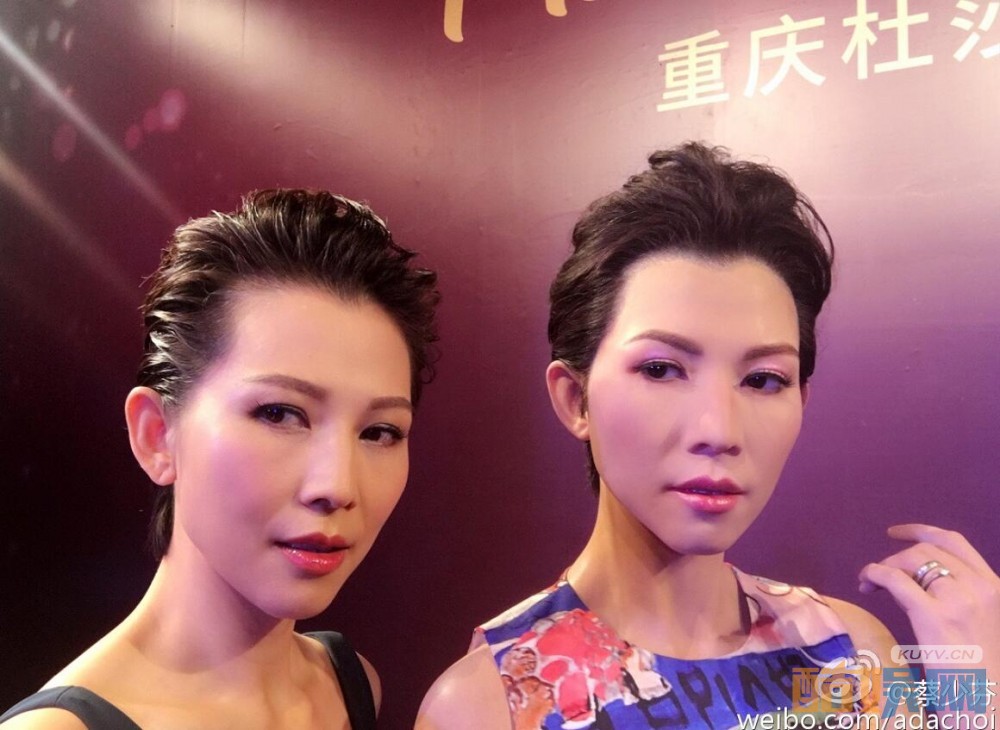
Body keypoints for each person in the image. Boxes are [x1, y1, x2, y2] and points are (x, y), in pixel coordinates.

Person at [416, 143, 1000, 729]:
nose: (719, 430)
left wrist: (980, 701)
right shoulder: (490, 702)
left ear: (801, 401)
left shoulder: (851, 652)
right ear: (575, 398)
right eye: (661, 369)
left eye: (763, 379)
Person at [1, 189, 439, 729]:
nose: (338, 486)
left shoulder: (349, 683)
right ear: (158, 434)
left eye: (379, 431)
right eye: (279, 413)